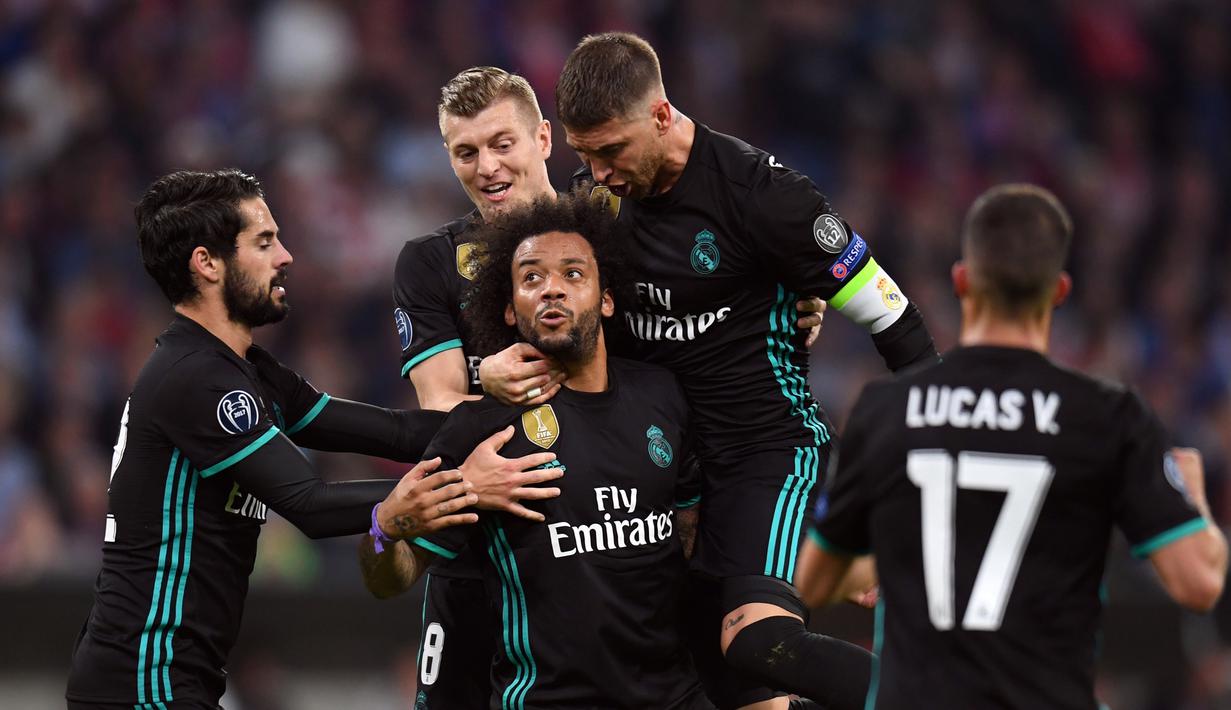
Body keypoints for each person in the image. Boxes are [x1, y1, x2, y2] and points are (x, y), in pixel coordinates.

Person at [484, 32, 936, 709]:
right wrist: (490, 368)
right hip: (662, 471)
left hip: (763, 451)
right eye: (584, 155)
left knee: (754, 642)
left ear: (661, 116)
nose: (599, 171)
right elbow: (554, 306)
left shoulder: (765, 196)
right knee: (733, 692)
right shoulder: (597, 207)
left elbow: (893, 321)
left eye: (611, 151)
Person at [65, 169, 545, 709]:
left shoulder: (250, 372)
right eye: (265, 242)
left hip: (170, 677)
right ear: (207, 263)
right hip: (142, 681)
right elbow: (310, 505)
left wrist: (517, 412)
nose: (286, 256)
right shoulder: (195, 378)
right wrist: (463, 488)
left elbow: (396, 431)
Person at [794, 184, 1229, 709]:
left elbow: (815, 581)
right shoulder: (1108, 417)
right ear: (1060, 291)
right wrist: (1194, 495)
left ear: (961, 281)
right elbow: (1199, 583)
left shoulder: (886, 409)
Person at [361, 193, 712, 709]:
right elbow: (390, 579)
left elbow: (691, 539)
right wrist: (382, 527)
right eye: (531, 278)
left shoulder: (663, 394)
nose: (552, 288)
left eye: (573, 274)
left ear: (606, 298)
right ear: (508, 309)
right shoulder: (479, 431)